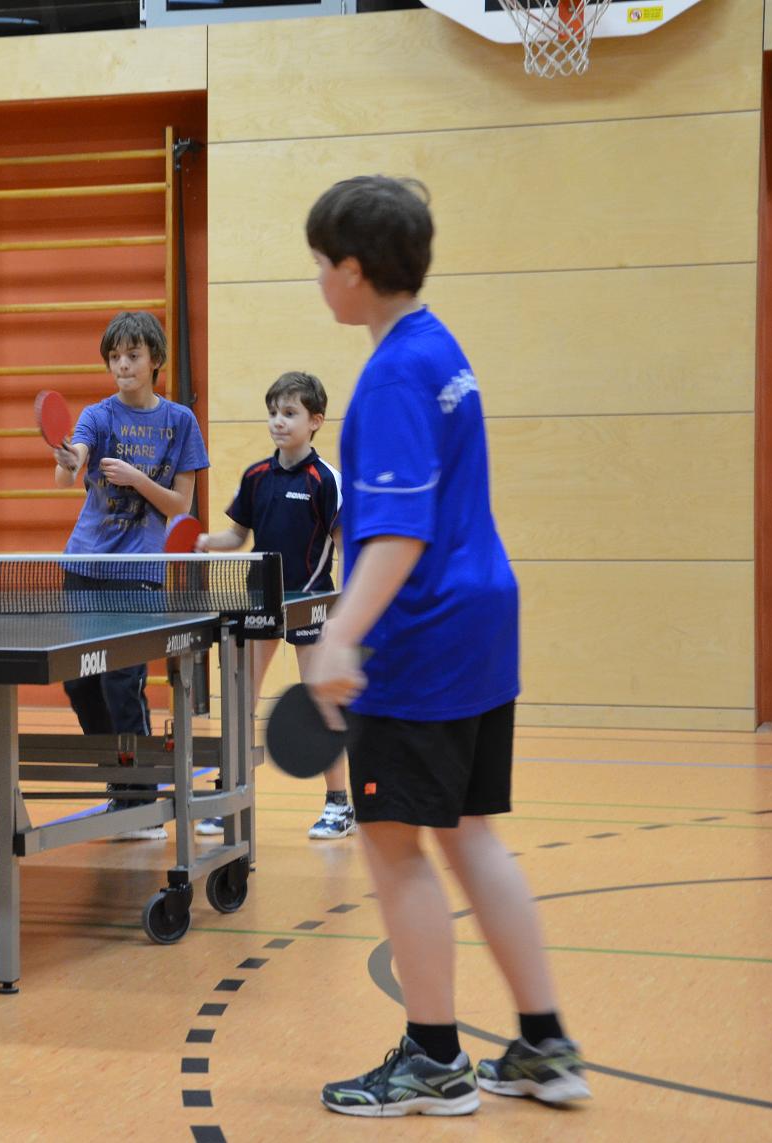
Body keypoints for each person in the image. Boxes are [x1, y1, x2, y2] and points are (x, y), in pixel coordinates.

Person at [298, 176, 587, 1117]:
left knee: (392, 846)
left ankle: (432, 1059)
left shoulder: (391, 375)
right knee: (469, 834)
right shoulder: (440, 345)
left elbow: (397, 533)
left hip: (420, 637)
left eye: (320, 263)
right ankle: (544, 1045)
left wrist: (337, 634)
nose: (316, 279)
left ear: (352, 270)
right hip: (482, 620)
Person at [50, 310, 209, 841]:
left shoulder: (180, 423)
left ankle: (140, 800)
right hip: (85, 564)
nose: (122, 365)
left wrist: (138, 478)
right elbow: (69, 469)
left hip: (138, 570)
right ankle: (120, 780)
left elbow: (181, 506)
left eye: (133, 355)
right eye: (115, 357)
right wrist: (68, 458)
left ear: (154, 360)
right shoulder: (98, 416)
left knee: (122, 682)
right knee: (78, 681)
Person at [196, 370, 347, 840]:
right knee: (242, 700)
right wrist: (205, 542)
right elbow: (237, 537)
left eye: (289, 413)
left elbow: (346, 544)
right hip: (260, 600)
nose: (278, 421)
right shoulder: (256, 476)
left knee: (320, 701)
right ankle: (231, 798)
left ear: (315, 421)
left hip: (311, 602)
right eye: (273, 413)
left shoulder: (325, 480)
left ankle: (339, 804)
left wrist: (347, 612)